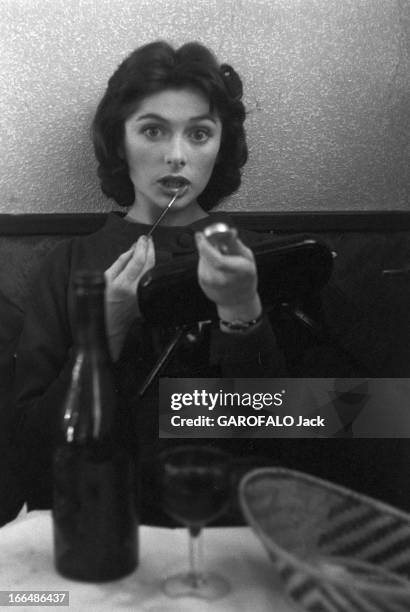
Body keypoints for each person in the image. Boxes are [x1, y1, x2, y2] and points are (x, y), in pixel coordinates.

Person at [13, 41, 362, 524]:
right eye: (153, 130)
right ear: (118, 141)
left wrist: (243, 318)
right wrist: (104, 334)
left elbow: (337, 441)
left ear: (220, 148)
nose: (176, 156)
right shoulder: (68, 266)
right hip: (106, 533)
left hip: (248, 531)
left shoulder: (275, 262)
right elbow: (28, 452)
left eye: (199, 134)